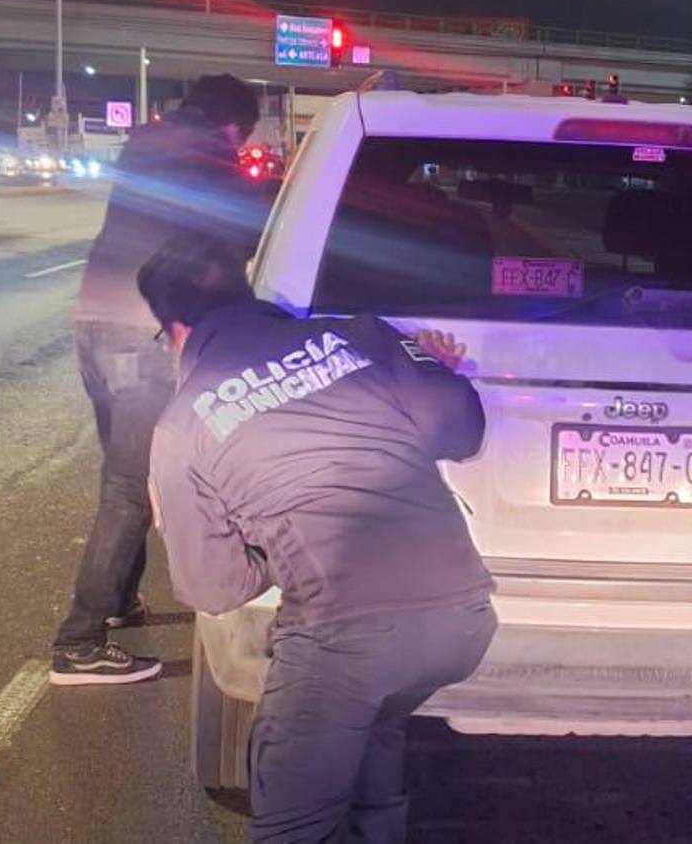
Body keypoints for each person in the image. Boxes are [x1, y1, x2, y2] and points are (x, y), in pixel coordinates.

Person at [139, 236, 496, 843]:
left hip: (346, 640)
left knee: (292, 827)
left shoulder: (182, 426)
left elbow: (212, 587)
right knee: (374, 730)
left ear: (176, 332)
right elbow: (462, 430)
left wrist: (276, 544)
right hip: (461, 621)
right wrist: (431, 371)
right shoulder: (361, 335)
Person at [50, 74, 266, 685]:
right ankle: (79, 640)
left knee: (121, 473)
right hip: (139, 333)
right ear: (232, 125)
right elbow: (239, 235)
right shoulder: (207, 155)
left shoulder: (147, 141)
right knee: (128, 486)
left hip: (92, 319)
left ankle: (116, 602)